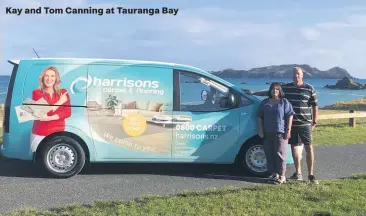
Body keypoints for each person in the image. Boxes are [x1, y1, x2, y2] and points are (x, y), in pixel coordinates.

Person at [244, 67, 319, 184]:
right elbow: (271, 91)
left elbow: (315, 105)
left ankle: (311, 175)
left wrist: (315, 121)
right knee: (294, 148)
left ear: (302, 75)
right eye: (294, 74)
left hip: (305, 123)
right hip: (292, 124)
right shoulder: (287, 87)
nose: (296, 76)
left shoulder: (309, 88)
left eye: (298, 74)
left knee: (309, 147)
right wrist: (254, 93)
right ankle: (298, 173)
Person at [257, 82, 295, 184]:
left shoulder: (284, 102)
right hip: (267, 132)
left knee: (280, 154)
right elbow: (259, 117)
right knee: (269, 154)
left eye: (277, 89)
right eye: (273, 89)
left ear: (280, 91)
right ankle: (274, 174)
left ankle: (282, 176)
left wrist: (288, 130)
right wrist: (260, 130)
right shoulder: (264, 102)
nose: (275, 91)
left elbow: (290, 116)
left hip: (281, 132)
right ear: (270, 90)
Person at [30, 66, 71, 152]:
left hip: (58, 132)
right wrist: (60, 102)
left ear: (56, 78)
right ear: (42, 78)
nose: (49, 79)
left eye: (52, 76)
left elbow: (67, 112)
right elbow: (43, 112)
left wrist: (48, 118)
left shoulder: (63, 92)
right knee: (40, 159)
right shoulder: (37, 93)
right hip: (40, 133)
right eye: (46, 76)